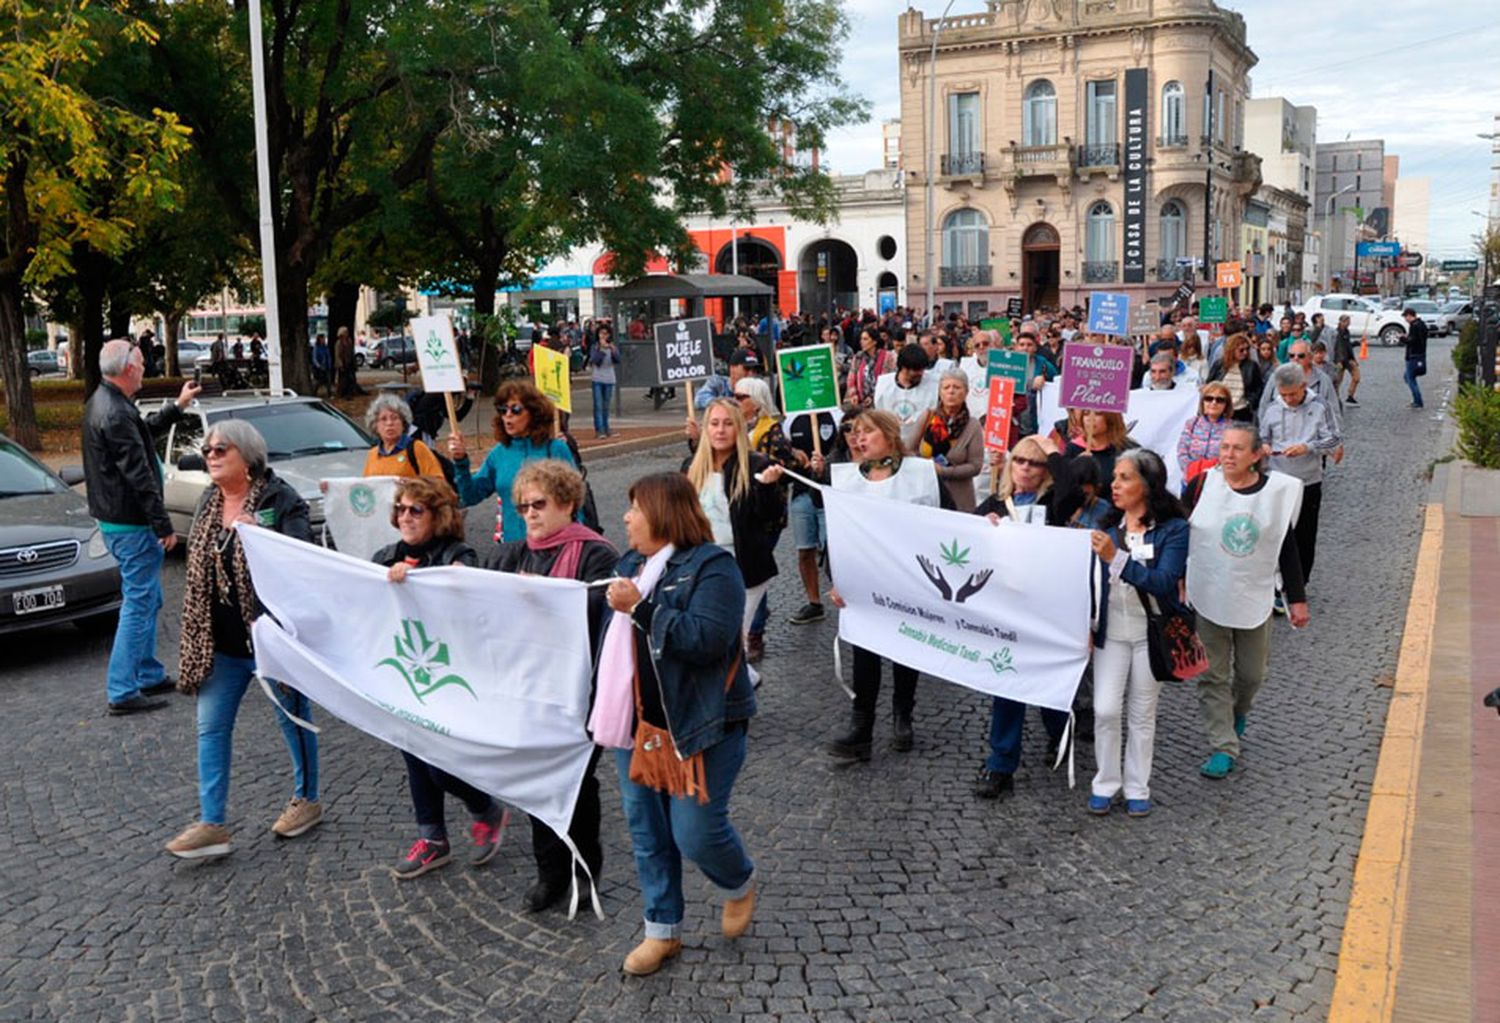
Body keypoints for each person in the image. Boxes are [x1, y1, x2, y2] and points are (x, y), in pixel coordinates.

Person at [601, 473, 757, 976]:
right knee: (647, 832)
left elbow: (708, 640)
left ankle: (738, 883)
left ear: (662, 513)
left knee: (694, 834)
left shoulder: (715, 568)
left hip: (701, 726)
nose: (625, 518)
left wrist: (642, 609)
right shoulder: (630, 564)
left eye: (634, 508)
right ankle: (662, 931)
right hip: (637, 726)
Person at [165, 419, 320, 858]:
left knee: (291, 717)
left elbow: (301, 556)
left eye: (221, 449)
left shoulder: (279, 498)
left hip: (268, 637)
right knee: (210, 729)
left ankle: (307, 798)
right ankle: (213, 822)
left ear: (248, 458)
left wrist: (262, 535)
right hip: (219, 642)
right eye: (208, 449)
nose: (211, 455)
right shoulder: (208, 502)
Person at [485, 461, 615, 909]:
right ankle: (550, 871)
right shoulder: (508, 554)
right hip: (525, 685)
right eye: (523, 506)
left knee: (576, 778)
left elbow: (602, 615)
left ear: (568, 503)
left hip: (578, 688)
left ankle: (586, 865)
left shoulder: (598, 554)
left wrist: (547, 596)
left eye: (539, 504)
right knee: (536, 777)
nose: (530, 514)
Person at [772, 410, 939, 760]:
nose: (859, 439)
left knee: (904, 650)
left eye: (868, 433)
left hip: (907, 580)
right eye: (855, 433)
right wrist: (838, 580)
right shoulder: (846, 478)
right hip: (863, 583)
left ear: (890, 437)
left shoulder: (919, 474)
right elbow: (831, 523)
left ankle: (902, 715)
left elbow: (945, 521)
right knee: (864, 653)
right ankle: (861, 726)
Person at [375, 477, 509, 879]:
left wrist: (449, 578)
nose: (406, 516)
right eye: (401, 509)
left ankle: (485, 806)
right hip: (407, 672)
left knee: (441, 765)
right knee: (413, 752)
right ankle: (432, 837)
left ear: (439, 515)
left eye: (417, 510)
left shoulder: (456, 553)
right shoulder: (384, 557)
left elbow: (469, 588)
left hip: (450, 674)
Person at [83, 338, 202, 715]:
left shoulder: (106, 402)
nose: (146, 368)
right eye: (141, 362)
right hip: (131, 525)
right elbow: (139, 476)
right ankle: (121, 689)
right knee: (138, 602)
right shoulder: (115, 412)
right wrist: (163, 525)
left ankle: (147, 673)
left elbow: (141, 434)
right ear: (129, 369)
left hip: (118, 521)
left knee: (149, 597)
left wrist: (177, 407)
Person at [1184, 422, 1307, 779]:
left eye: (1238, 449)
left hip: (1253, 595)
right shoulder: (1202, 485)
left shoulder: (1276, 494)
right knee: (1212, 674)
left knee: (1252, 674)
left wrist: (1296, 599)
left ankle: (1238, 711)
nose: (1228, 454)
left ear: (1256, 455)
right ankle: (1223, 744)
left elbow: (1285, 547)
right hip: (1207, 594)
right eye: (1224, 447)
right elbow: (1179, 531)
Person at [969, 435, 1080, 798]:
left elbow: (1074, 488)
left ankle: (1059, 731)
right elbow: (968, 547)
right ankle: (1001, 763)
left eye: (1035, 463)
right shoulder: (994, 505)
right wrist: (980, 529)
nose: (1026, 469)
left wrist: (1050, 449)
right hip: (1007, 611)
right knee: (1008, 684)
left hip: (1049, 608)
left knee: (1049, 682)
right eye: (1020, 461)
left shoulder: (1057, 502)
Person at [1084, 450, 1189, 817]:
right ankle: (1105, 780)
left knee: (1143, 713)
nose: (1114, 484)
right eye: (1115, 476)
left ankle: (1136, 786)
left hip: (1151, 633)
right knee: (1105, 709)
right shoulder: (1104, 522)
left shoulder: (1174, 529)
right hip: (1111, 631)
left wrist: (1118, 558)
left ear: (1148, 485)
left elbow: (1163, 582)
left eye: (1125, 477)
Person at [683, 399, 783, 680]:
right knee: (712, 633)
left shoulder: (757, 465)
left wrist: (767, 488)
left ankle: (733, 693)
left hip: (744, 566)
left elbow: (772, 516)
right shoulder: (691, 467)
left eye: (728, 423)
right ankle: (741, 680)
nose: (720, 430)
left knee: (732, 634)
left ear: (739, 428)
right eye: (714, 423)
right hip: (702, 564)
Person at [448, 380, 576, 542]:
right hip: (513, 548)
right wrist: (461, 462)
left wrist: (575, 546)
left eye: (515, 409)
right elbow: (470, 496)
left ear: (534, 413)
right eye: (503, 410)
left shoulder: (556, 449)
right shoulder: (498, 454)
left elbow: (575, 504)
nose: (507, 415)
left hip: (553, 546)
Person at [1260, 363, 1340, 583]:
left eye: (1293, 394)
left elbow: (1334, 438)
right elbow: (1263, 435)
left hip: (1308, 481)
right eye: (1283, 395)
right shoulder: (1272, 408)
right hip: (1277, 478)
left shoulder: (1320, 406)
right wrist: (1264, 445)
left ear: (1303, 386)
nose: (1288, 399)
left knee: (1305, 535)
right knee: (1278, 533)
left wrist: (1309, 447)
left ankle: (1299, 582)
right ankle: (1276, 580)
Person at [908, 367, 984, 512]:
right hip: (927, 491)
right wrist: (925, 467)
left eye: (957, 387)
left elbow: (975, 466)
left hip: (959, 497)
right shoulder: (928, 418)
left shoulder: (972, 425)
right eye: (946, 387)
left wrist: (944, 471)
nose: (951, 392)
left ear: (966, 392)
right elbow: (909, 449)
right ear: (940, 392)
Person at [362, 393, 445, 478]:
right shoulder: (373, 454)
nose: (389, 423)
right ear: (375, 426)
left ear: (403, 423)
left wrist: (412, 485)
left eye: (394, 418)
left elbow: (438, 482)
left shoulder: (417, 448)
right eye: (383, 419)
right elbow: (368, 487)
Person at [1176, 382, 1233, 487]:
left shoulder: (1232, 428)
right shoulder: (1191, 423)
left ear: (1226, 405)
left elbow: (1230, 456)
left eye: (1220, 400)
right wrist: (1192, 470)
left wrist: (1212, 472)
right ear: (1202, 402)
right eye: (1209, 398)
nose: (1214, 402)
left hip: (1219, 482)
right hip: (1190, 481)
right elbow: (1182, 450)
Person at [873, 343, 938, 430]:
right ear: (904, 368)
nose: (921, 373)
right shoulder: (884, 384)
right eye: (916, 370)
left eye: (922, 369)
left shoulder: (933, 384)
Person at [1206, 332, 1264, 422]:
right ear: (1232, 349)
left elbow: (1258, 387)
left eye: (1247, 349)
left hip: (1241, 411)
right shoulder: (1219, 364)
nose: (1245, 353)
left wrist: (1250, 402)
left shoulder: (1252, 366)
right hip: (1221, 410)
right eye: (1241, 350)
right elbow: (1210, 384)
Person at [844, 327, 895, 407]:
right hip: (861, 402)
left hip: (881, 401)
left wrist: (873, 396)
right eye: (861, 339)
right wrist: (853, 394)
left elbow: (887, 381)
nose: (862, 342)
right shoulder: (858, 357)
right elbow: (851, 377)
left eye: (865, 339)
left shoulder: (887, 357)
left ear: (874, 342)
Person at [589, 322, 620, 438]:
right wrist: (601, 350)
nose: (603, 336)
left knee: (606, 406)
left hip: (609, 378)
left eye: (606, 334)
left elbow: (617, 359)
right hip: (597, 378)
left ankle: (606, 428)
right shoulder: (595, 347)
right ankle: (599, 430)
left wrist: (612, 349)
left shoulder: (612, 346)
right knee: (598, 405)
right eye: (601, 333)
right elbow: (595, 360)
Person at [1331, 314, 1361, 405]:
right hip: (1340, 360)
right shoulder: (1336, 333)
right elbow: (1336, 348)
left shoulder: (1347, 332)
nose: (1348, 323)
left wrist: (1356, 343)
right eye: (1346, 321)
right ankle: (1335, 398)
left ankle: (1350, 396)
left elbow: (1347, 346)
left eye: (1348, 321)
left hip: (1348, 359)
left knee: (1356, 377)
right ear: (1341, 322)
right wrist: (1338, 361)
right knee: (1337, 381)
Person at [1402, 308, 1428, 409]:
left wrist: (1403, 338)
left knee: (1410, 378)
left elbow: (1412, 341)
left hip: (1413, 355)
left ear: (1409, 315)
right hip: (1420, 354)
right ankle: (1416, 399)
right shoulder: (1421, 324)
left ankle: (1418, 400)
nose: (1405, 319)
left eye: (1405, 317)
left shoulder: (1414, 326)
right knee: (1408, 377)